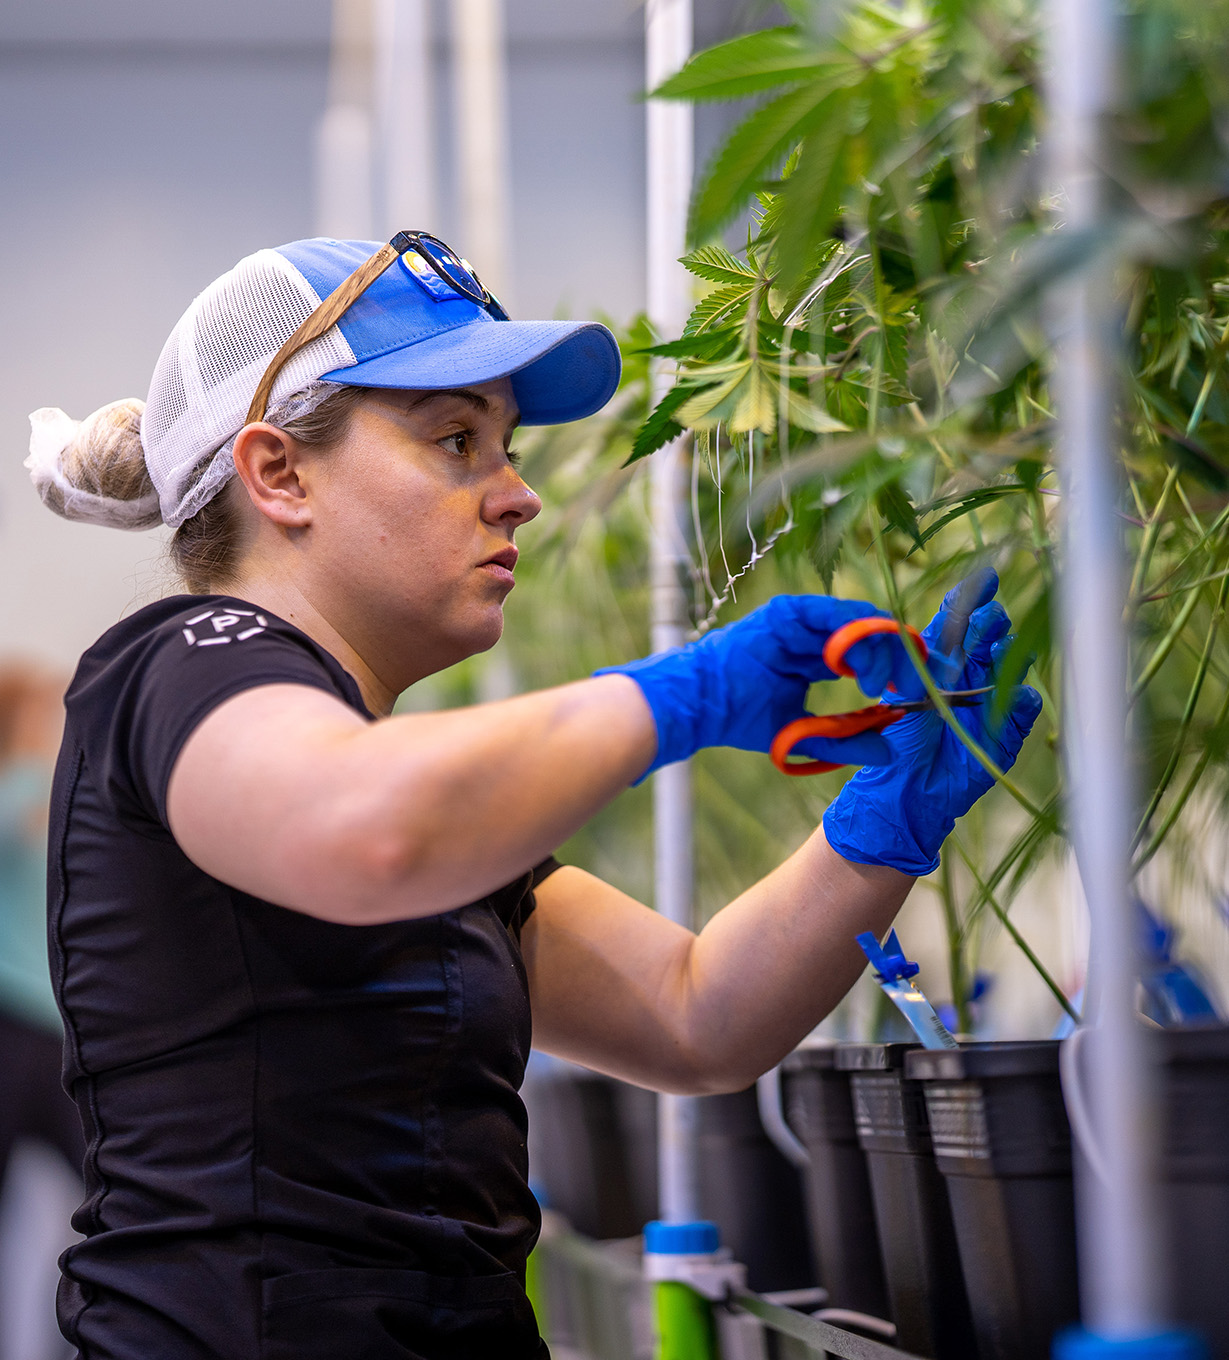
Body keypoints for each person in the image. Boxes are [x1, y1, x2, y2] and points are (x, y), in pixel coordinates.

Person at [25, 232, 1040, 1360]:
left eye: (504, 446)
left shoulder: (421, 802)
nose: (517, 497)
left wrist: (880, 828)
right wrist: (683, 694)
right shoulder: (184, 664)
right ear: (278, 473)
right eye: (456, 440)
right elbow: (365, 827)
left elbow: (694, 1014)